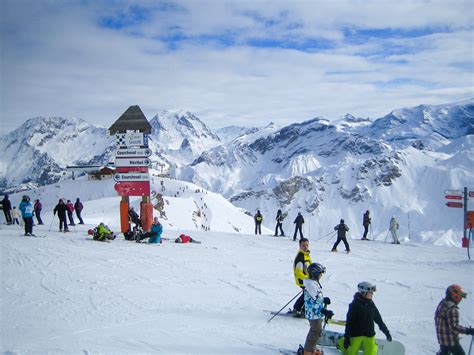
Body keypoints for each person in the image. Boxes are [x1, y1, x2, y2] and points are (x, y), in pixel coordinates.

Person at [339, 282, 392, 355]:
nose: (372, 294)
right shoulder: (354, 305)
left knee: (371, 352)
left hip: (369, 335)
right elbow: (349, 322)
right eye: (370, 292)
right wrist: (347, 337)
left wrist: (386, 332)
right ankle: (341, 342)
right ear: (363, 292)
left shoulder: (371, 304)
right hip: (356, 335)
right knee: (351, 352)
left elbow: (379, 320)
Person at [302, 263, 334, 355]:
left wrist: (323, 299)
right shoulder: (311, 286)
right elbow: (312, 303)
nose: (321, 276)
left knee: (314, 330)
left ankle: (310, 349)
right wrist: (323, 310)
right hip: (314, 313)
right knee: (316, 331)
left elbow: (315, 298)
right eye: (320, 274)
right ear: (315, 274)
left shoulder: (312, 284)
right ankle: (308, 351)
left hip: (315, 313)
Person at [435, 284, 474, 355]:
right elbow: (454, 327)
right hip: (451, 341)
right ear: (456, 296)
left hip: (442, 339)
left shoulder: (442, 304)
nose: (460, 300)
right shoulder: (452, 310)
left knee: (445, 352)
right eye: (460, 297)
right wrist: (468, 331)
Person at [292, 238, 311, 316]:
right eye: (303, 245)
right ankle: (298, 309)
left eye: (307, 245)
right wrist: (308, 278)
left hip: (307, 279)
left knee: (307, 293)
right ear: (300, 246)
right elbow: (299, 272)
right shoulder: (300, 257)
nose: (305, 247)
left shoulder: (306, 254)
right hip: (302, 280)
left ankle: (301, 309)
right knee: (308, 293)